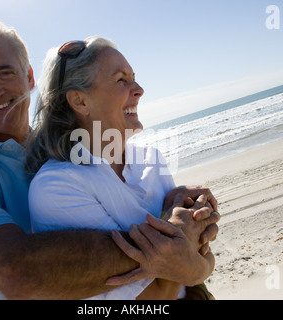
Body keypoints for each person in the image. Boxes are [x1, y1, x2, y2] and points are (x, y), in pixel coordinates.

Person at [0, 20, 219, 300]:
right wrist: (175, 238)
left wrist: (189, 245)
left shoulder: (72, 149)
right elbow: (15, 272)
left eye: (4, 72)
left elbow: (187, 261)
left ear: (29, 77)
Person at [26, 37, 216, 299]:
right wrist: (180, 228)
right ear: (80, 101)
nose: (138, 89)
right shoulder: (57, 187)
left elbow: (197, 258)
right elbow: (154, 297)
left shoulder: (152, 158)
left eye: (134, 78)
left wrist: (194, 249)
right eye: (121, 80)